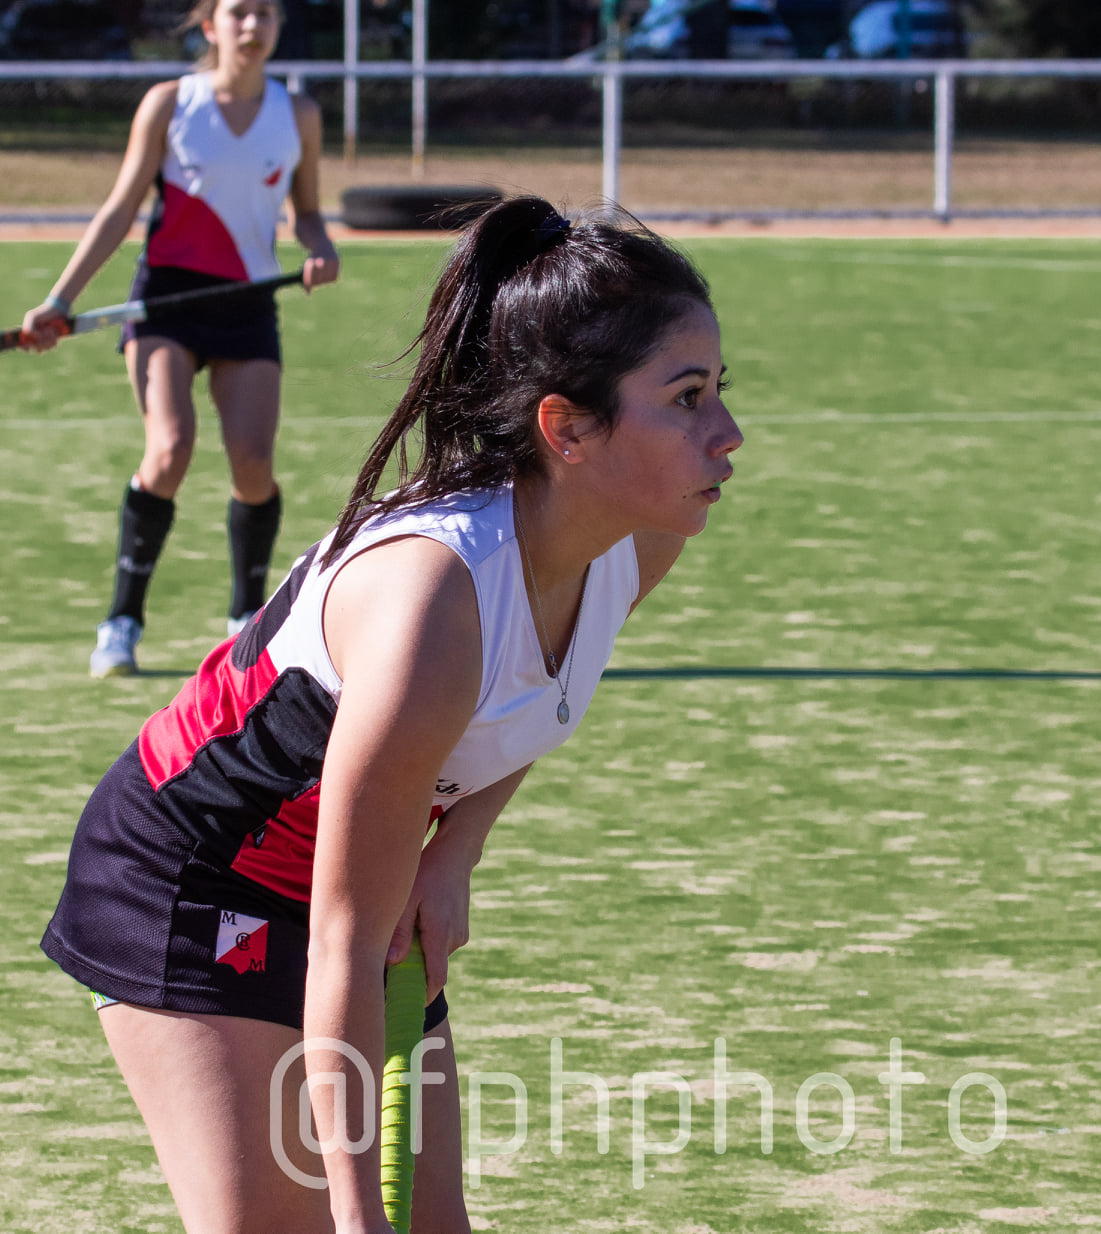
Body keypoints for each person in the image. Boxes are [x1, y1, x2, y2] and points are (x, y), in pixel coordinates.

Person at [38, 196, 742, 1233]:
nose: (727, 433)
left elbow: (529, 701)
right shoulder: (432, 606)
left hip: (353, 893)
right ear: (566, 427)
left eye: (722, 389)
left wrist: (457, 847)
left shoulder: (632, 543)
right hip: (190, 873)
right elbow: (342, 947)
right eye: (686, 398)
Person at [20, 0, 340, 678]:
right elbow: (121, 206)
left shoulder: (299, 114)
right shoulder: (171, 103)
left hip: (248, 302)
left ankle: (247, 621)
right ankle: (121, 623)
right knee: (169, 449)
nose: (252, 27)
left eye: (265, 15)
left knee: (252, 463)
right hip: (164, 301)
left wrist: (320, 246)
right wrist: (60, 299)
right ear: (209, 26)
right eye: (238, 13)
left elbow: (307, 210)